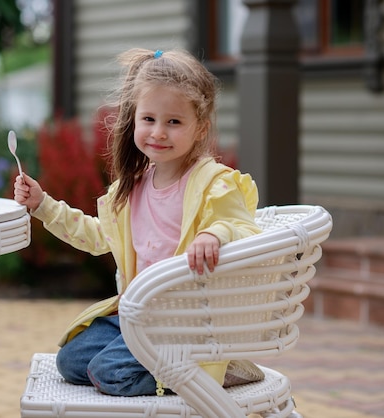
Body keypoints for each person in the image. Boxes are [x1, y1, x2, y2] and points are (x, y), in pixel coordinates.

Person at [13, 48, 263, 397]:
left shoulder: (212, 182)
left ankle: (208, 372)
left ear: (200, 128)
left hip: (183, 326)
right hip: (137, 317)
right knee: (70, 361)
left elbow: (244, 226)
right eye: (149, 119)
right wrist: (43, 205)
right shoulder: (132, 188)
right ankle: (162, 365)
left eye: (174, 122)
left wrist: (213, 234)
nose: (158, 132)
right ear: (134, 120)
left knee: (108, 372)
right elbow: (99, 237)